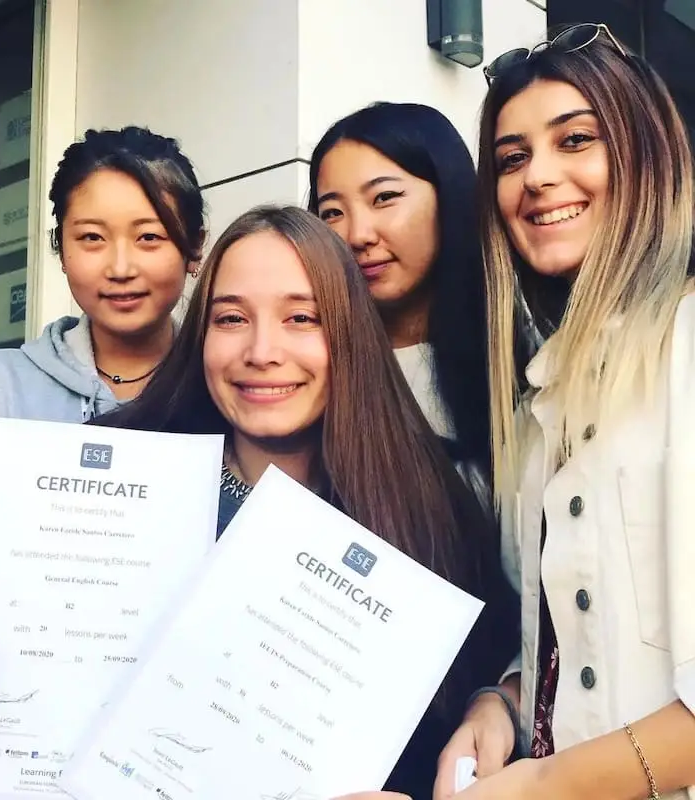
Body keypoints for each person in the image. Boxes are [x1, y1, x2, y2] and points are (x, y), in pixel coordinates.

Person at [94, 205, 518, 799]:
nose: (262, 350)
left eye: (301, 317)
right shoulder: (126, 488)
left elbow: (499, 672)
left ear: (348, 334)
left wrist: (494, 705)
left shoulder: (429, 507)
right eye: (232, 318)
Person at [434, 23, 695, 800]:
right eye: (512, 158)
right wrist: (503, 704)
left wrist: (545, 786)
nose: (537, 177)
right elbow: (578, 642)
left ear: (647, 156)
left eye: (574, 140)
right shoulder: (539, 392)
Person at [0, 126, 204, 711]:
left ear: (194, 250)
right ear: (60, 247)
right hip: (4, 724)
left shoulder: (227, 393)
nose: (119, 266)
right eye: (91, 238)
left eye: (149, 237)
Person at [309, 102, 517, 486]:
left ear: (449, 195)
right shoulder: (313, 367)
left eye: (384, 198)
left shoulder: (520, 353)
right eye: (332, 212)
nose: (357, 235)